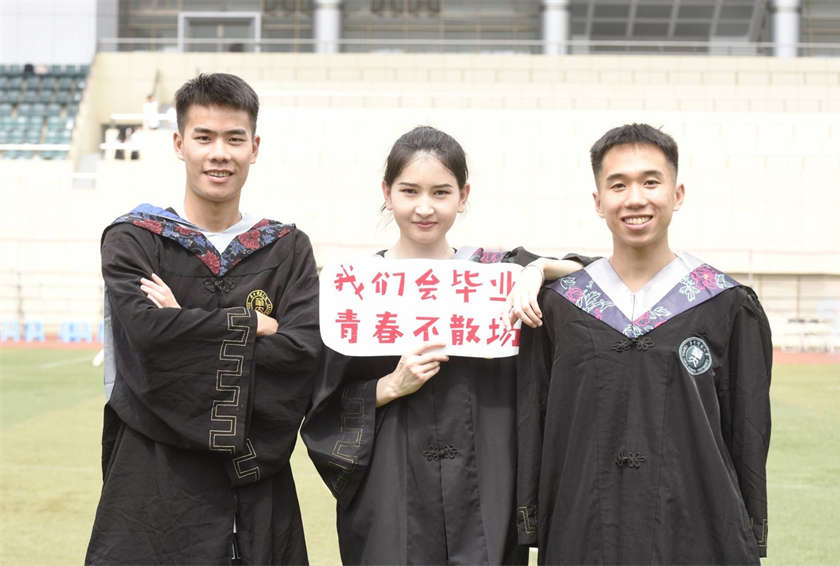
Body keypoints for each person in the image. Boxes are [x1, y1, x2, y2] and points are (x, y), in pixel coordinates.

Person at [301, 126, 583, 565]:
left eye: (441, 192)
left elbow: (595, 276)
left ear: (463, 195)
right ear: (387, 192)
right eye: (409, 191)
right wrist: (390, 386)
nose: (424, 207)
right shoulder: (354, 289)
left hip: (487, 489)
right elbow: (319, 406)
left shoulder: (499, 277)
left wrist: (542, 269)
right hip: (389, 494)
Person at [86, 73, 320, 564]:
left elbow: (302, 355)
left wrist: (186, 326)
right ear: (179, 144)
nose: (220, 153)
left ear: (254, 147)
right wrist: (257, 325)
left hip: (256, 490)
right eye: (204, 137)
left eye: (235, 138)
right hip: (153, 485)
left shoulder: (287, 249)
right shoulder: (134, 240)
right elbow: (149, 340)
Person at [515, 123, 772, 564]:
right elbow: (532, 422)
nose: (635, 198)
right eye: (618, 185)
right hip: (583, 530)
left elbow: (747, 432)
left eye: (651, 182)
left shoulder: (725, 304)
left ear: (678, 193)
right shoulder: (559, 307)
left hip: (696, 531)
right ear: (598, 202)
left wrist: (746, 530)